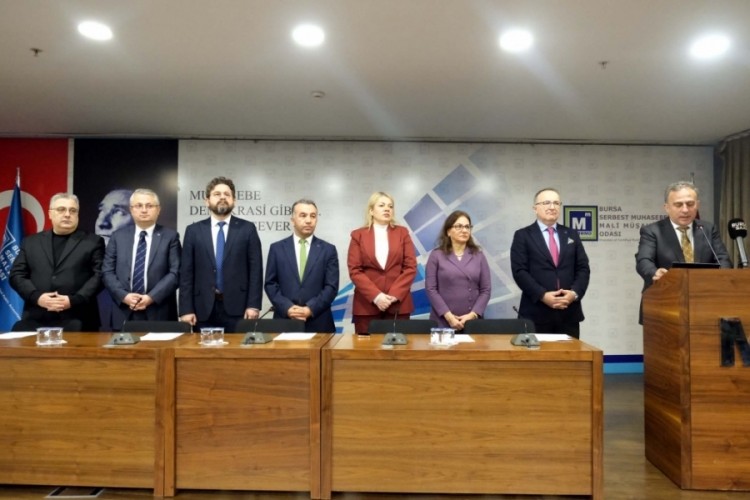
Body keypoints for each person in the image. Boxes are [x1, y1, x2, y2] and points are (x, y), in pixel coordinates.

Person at [635, 180, 732, 323]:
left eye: (690, 204)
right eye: (678, 205)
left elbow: (723, 259)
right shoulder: (652, 231)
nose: (685, 210)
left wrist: (719, 278)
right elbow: (644, 260)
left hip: (704, 303)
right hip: (664, 302)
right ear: (667, 207)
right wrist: (655, 273)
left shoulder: (707, 229)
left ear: (697, 205)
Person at [9, 193, 105, 331]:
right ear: (50, 214)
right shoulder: (31, 242)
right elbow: (16, 275)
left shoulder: (93, 242)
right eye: (61, 209)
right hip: (35, 317)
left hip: (79, 318)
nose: (67, 214)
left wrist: (74, 300)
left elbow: (99, 275)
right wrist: (37, 297)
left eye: (73, 210)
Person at [179, 176, 263, 332]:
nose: (222, 197)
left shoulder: (247, 229)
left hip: (239, 308)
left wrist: (253, 305)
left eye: (227, 194)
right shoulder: (193, 231)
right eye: (217, 194)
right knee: (202, 348)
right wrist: (185, 309)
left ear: (234, 201)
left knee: (238, 348)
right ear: (207, 201)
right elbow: (186, 273)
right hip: (202, 308)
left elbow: (255, 270)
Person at [510, 187, 590, 338]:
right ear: (535, 208)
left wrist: (574, 293)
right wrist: (542, 295)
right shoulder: (523, 235)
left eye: (556, 203)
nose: (552, 207)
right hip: (535, 314)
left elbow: (583, 268)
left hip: (568, 313)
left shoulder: (571, 234)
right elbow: (519, 271)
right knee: (535, 354)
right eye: (546, 203)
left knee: (570, 354)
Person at [102, 189, 181, 331]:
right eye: (138, 206)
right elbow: (107, 271)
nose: (144, 210)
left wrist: (151, 297)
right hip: (124, 308)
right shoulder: (117, 236)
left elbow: (175, 272)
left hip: (159, 309)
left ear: (158, 210)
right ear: (132, 209)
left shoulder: (170, 237)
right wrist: (124, 296)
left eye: (149, 206)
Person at [264, 199, 339, 332]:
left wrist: (310, 308)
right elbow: (270, 284)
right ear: (293, 220)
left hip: (319, 321)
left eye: (313, 216)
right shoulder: (277, 248)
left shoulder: (328, 250)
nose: (308, 220)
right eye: (303, 215)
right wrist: (287, 308)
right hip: (285, 321)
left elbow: (331, 287)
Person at [347, 191, 417, 334]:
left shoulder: (402, 233)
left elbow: (410, 267)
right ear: (371, 211)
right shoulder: (358, 235)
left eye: (390, 206)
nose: (387, 209)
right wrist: (377, 296)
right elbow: (355, 270)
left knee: (398, 347)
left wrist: (394, 295)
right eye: (382, 205)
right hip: (366, 306)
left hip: (398, 305)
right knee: (366, 348)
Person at [425, 210, 491, 330]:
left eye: (467, 227)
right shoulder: (436, 255)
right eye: (459, 226)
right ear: (448, 231)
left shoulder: (478, 255)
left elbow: (486, 290)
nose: (464, 230)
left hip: (472, 322)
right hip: (443, 321)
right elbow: (431, 289)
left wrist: (473, 315)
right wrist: (449, 317)